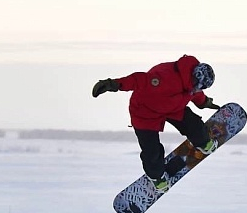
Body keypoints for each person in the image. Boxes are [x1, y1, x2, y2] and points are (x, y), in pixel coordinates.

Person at [92, 55, 220, 193]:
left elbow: (196, 95)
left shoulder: (191, 85)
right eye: (200, 86)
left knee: (193, 123)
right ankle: (157, 178)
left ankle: (203, 142)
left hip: (173, 108)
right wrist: (113, 84)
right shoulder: (165, 77)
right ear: (195, 78)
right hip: (144, 113)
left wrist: (205, 102)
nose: (199, 89)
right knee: (152, 151)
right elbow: (138, 80)